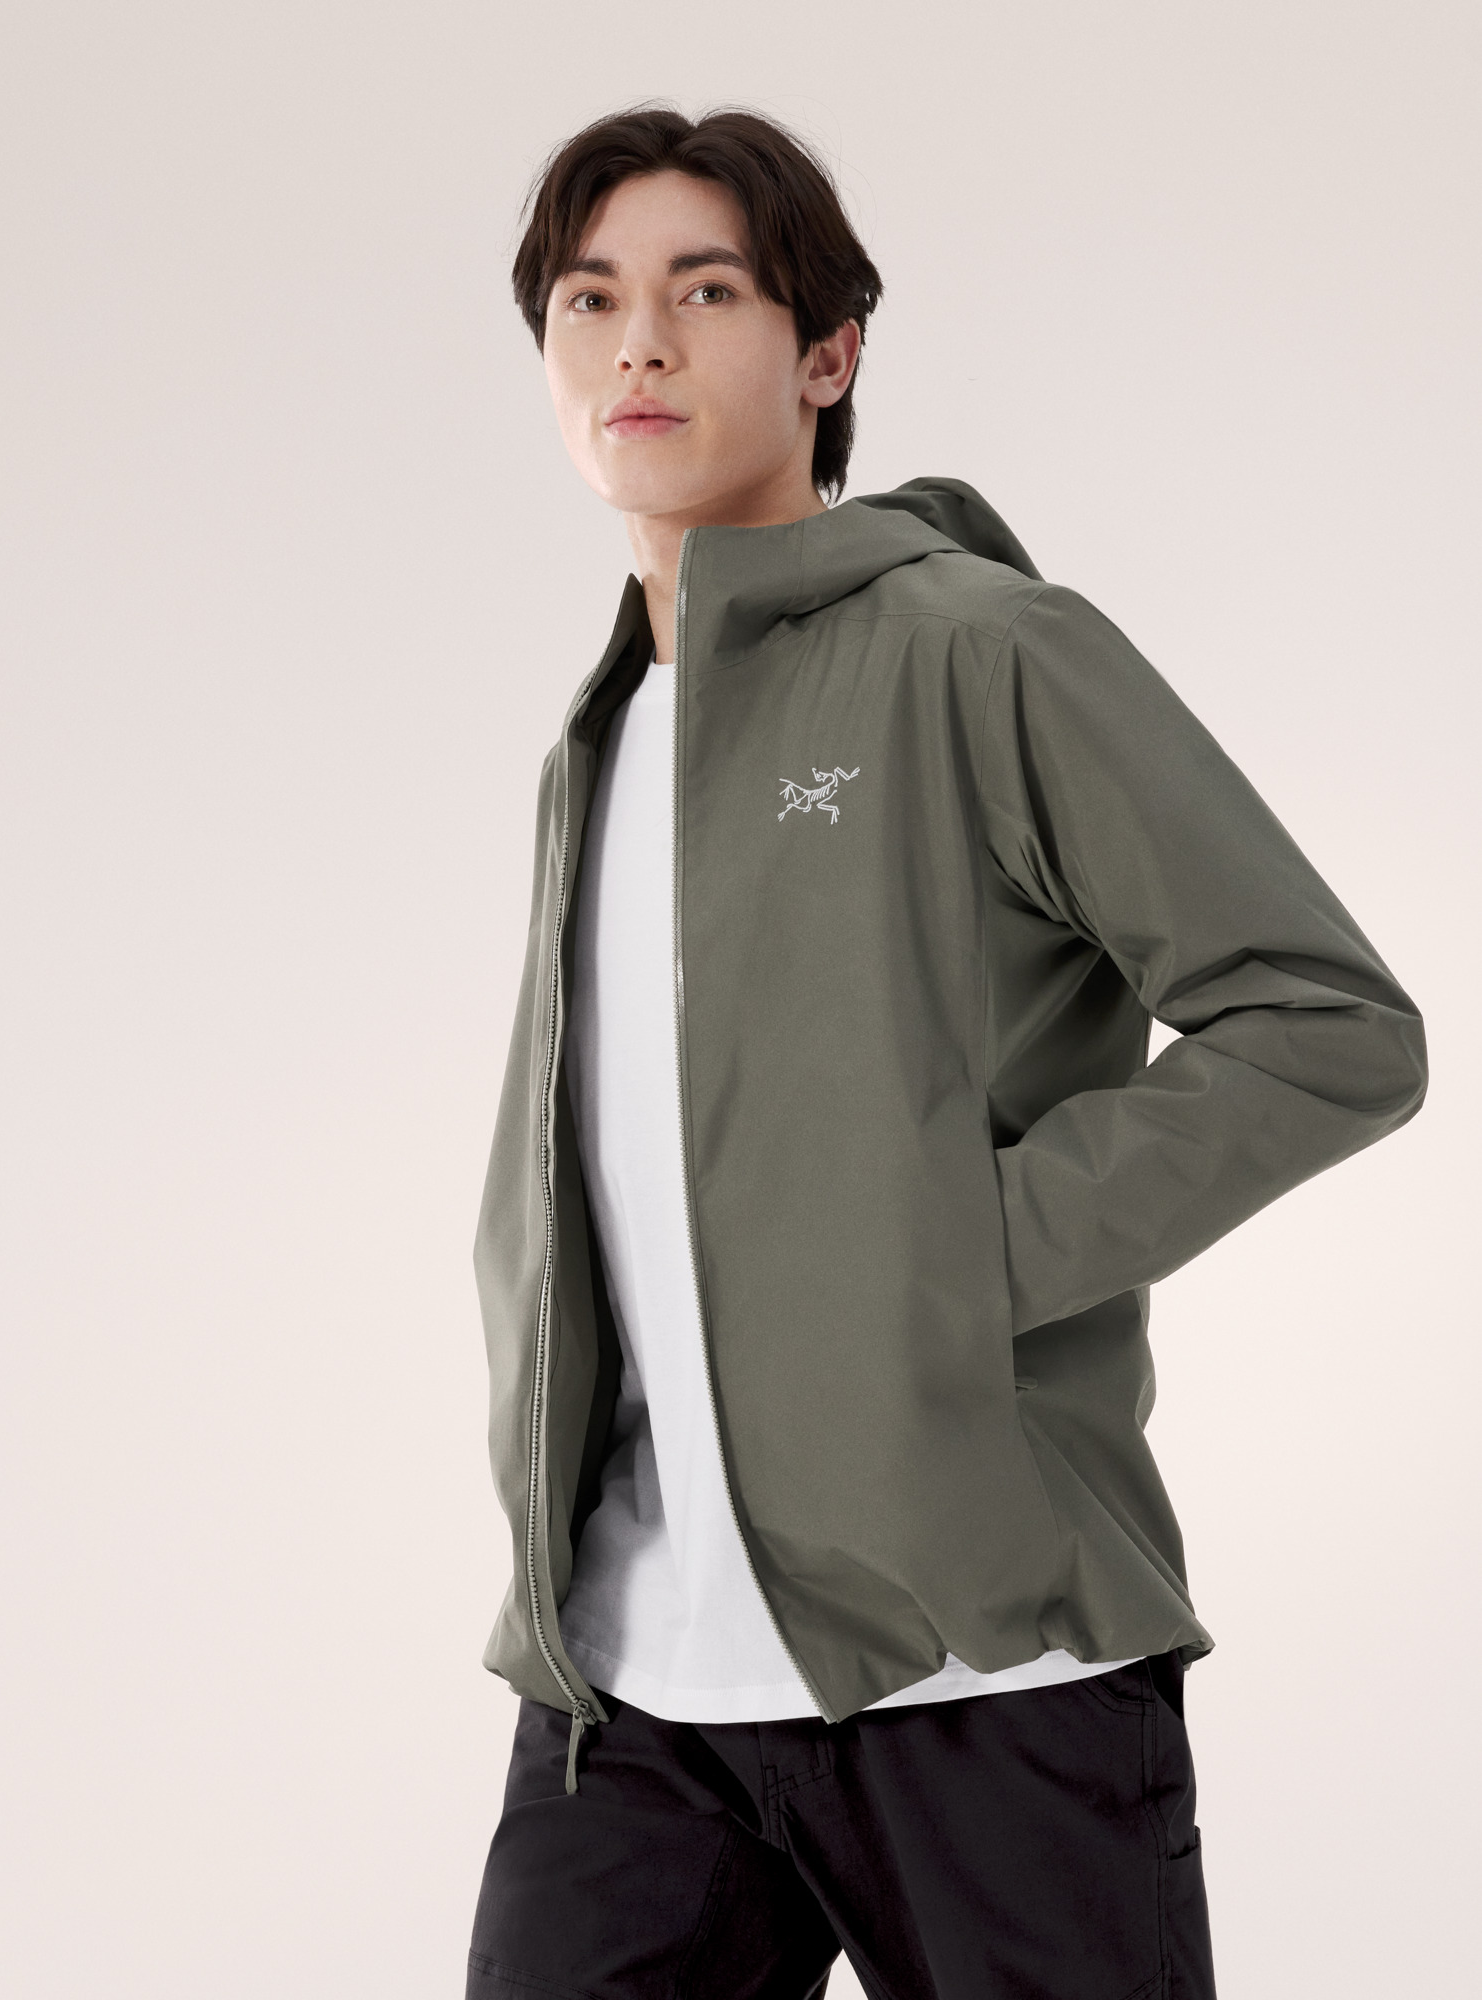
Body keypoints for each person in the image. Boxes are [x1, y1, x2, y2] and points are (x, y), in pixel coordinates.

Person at [464, 105, 1427, 1999]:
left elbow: (1326, 1024)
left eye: (704, 292)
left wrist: (959, 1257)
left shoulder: (978, 651)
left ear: (828, 355)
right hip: (632, 1695)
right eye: (589, 299)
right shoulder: (603, 732)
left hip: (987, 1680)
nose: (637, 343)